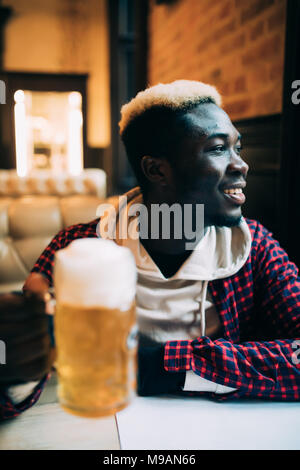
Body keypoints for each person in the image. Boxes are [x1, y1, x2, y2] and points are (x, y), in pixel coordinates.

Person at [1, 80, 300, 420]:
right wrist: (15, 374)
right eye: (218, 149)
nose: (241, 165)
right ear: (157, 170)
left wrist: (158, 365)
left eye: (238, 148)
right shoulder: (76, 250)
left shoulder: (253, 248)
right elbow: (23, 375)